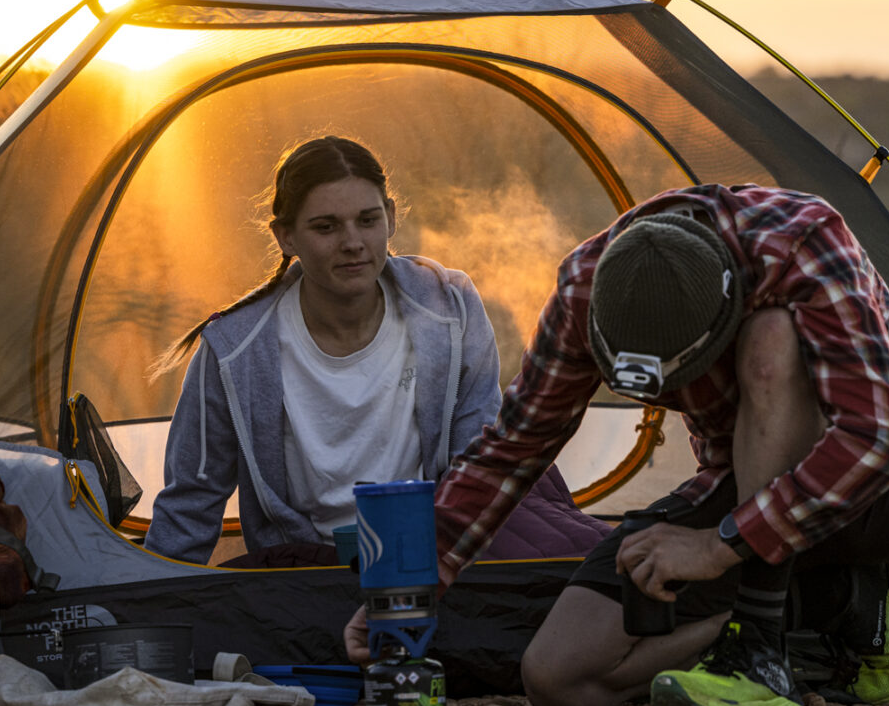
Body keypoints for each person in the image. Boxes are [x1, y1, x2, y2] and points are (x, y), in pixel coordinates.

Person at [346, 182, 889, 706]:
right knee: (561, 676)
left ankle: (757, 652)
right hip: (746, 483)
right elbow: (511, 449)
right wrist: (409, 594)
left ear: (721, 314)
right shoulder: (590, 290)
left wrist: (716, 546)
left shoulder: (801, 246)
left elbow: (878, 442)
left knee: (773, 340)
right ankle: (846, 603)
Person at [144, 136, 606, 565]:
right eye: (326, 227)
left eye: (368, 220)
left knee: (565, 558)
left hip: (437, 546)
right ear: (286, 236)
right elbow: (191, 502)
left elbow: (478, 453)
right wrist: (143, 616)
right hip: (310, 567)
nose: (353, 243)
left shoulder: (449, 307)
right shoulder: (234, 351)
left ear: (390, 215)